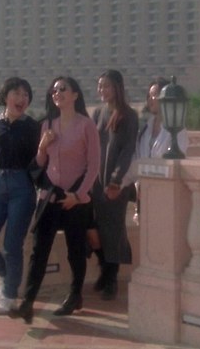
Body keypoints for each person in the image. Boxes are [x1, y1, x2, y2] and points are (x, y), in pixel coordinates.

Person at [14, 76, 101, 323]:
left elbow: (94, 165)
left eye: (63, 89)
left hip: (75, 198)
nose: (57, 93)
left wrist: (79, 195)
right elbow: (41, 162)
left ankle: (75, 295)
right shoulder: (47, 125)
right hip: (50, 196)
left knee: (75, 250)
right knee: (39, 250)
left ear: (75, 95)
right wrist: (42, 147)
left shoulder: (86, 125)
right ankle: (28, 302)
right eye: (54, 90)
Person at [0, 77, 40, 315]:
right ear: (6, 96)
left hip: (22, 187)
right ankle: (7, 278)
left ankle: (9, 295)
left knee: (13, 245)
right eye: (17, 93)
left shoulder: (32, 127)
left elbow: (39, 160)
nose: (22, 99)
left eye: (26, 95)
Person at [91, 69, 138, 301]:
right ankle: (104, 268)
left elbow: (127, 150)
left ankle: (111, 277)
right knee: (94, 228)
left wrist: (116, 180)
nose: (102, 90)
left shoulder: (128, 115)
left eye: (106, 85)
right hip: (96, 181)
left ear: (117, 87)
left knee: (113, 229)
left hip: (116, 184)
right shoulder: (98, 112)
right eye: (100, 85)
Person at [130, 77, 190, 222]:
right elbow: (137, 158)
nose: (151, 99)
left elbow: (177, 158)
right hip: (145, 193)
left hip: (164, 193)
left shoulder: (178, 130)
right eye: (149, 95)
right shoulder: (145, 129)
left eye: (155, 95)